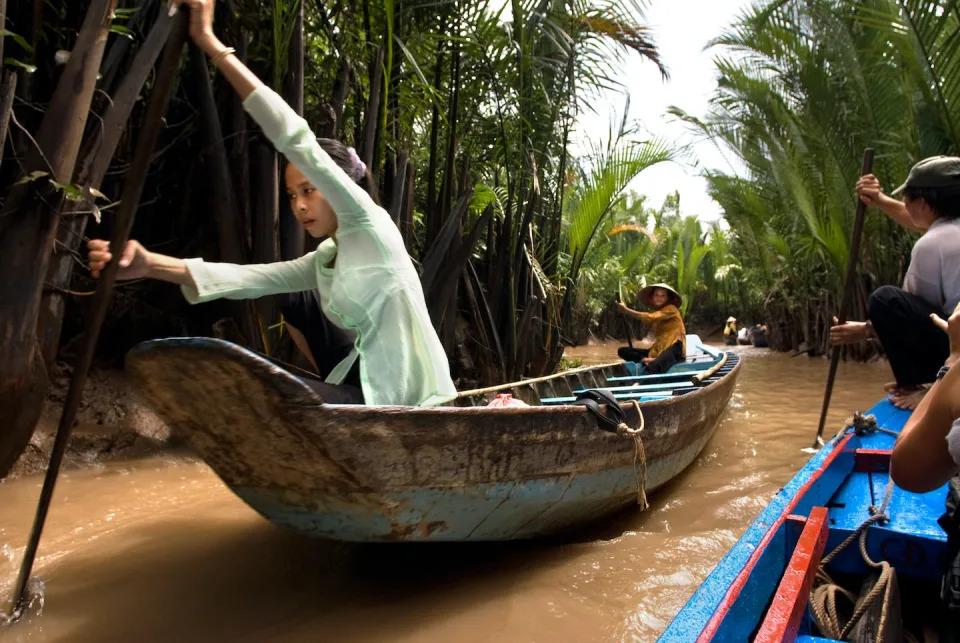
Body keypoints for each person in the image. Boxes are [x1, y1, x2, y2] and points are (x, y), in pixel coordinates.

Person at [87, 0, 456, 407]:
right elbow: (250, 278)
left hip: (405, 395)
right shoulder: (326, 259)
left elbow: (293, 136)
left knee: (267, 399)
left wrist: (211, 44)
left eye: (309, 190)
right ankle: (328, 393)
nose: (299, 206)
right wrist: (149, 264)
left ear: (337, 187)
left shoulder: (369, 223)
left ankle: (329, 403)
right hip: (358, 372)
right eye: (292, 195)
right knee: (291, 299)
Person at [831, 156, 960, 409]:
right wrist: (878, 199)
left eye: (907, 197)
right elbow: (918, 220)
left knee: (885, 300)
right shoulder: (950, 230)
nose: (903, 203)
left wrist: (867, 329)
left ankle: (926, 385)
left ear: (923, 203)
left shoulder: (932, 244)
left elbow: (909, 321)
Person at [615, 284, 686, 374]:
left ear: (668, 298)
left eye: (663, 296)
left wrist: (626, 310)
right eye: (656, 295)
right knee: (623, 351)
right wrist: (645, 358)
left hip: (675, 348)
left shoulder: (671, 309)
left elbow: (650, 317)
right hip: (659, 350)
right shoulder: (659, 312)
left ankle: (639, 383)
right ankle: (646, 359)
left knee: (654, 367)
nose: (659, 298)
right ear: (652, 297)